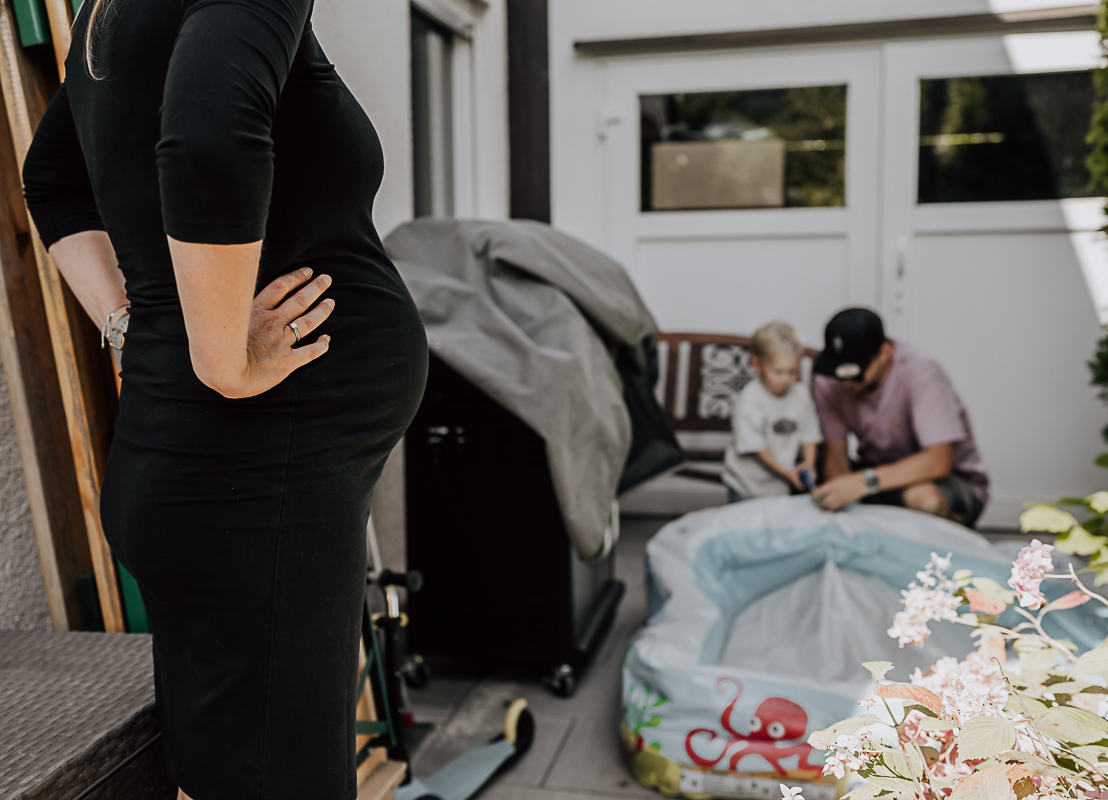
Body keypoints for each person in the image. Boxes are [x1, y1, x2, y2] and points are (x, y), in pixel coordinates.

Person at [21, 2, 428, 799]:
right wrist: (222, 362)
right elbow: (207, 139)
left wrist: (128, 326)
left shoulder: (110, 15)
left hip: (217, 483)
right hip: (256, 485)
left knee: (224, 779)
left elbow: (53, 179)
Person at [810, 308, 988, 527]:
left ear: (884, 352)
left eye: (855, 374)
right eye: (838, 372)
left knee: (922, 499)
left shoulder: (921, 371)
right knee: (812, 467)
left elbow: (939, 461)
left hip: (945, 480)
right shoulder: (828, 381)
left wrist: (863, 483)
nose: (846, 383)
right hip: (878, 475)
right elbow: (836, 457)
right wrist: (840, 490)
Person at [723, 321, 822, 502]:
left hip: (781, 488)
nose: (786, 379)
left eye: (792, 371)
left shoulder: (801, 394)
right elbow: (756, 448)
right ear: (756, 364)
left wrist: (809, 464)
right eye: (778, 371)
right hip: (746, 487)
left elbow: (809, 435)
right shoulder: (750, 399)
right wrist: (787, 473)